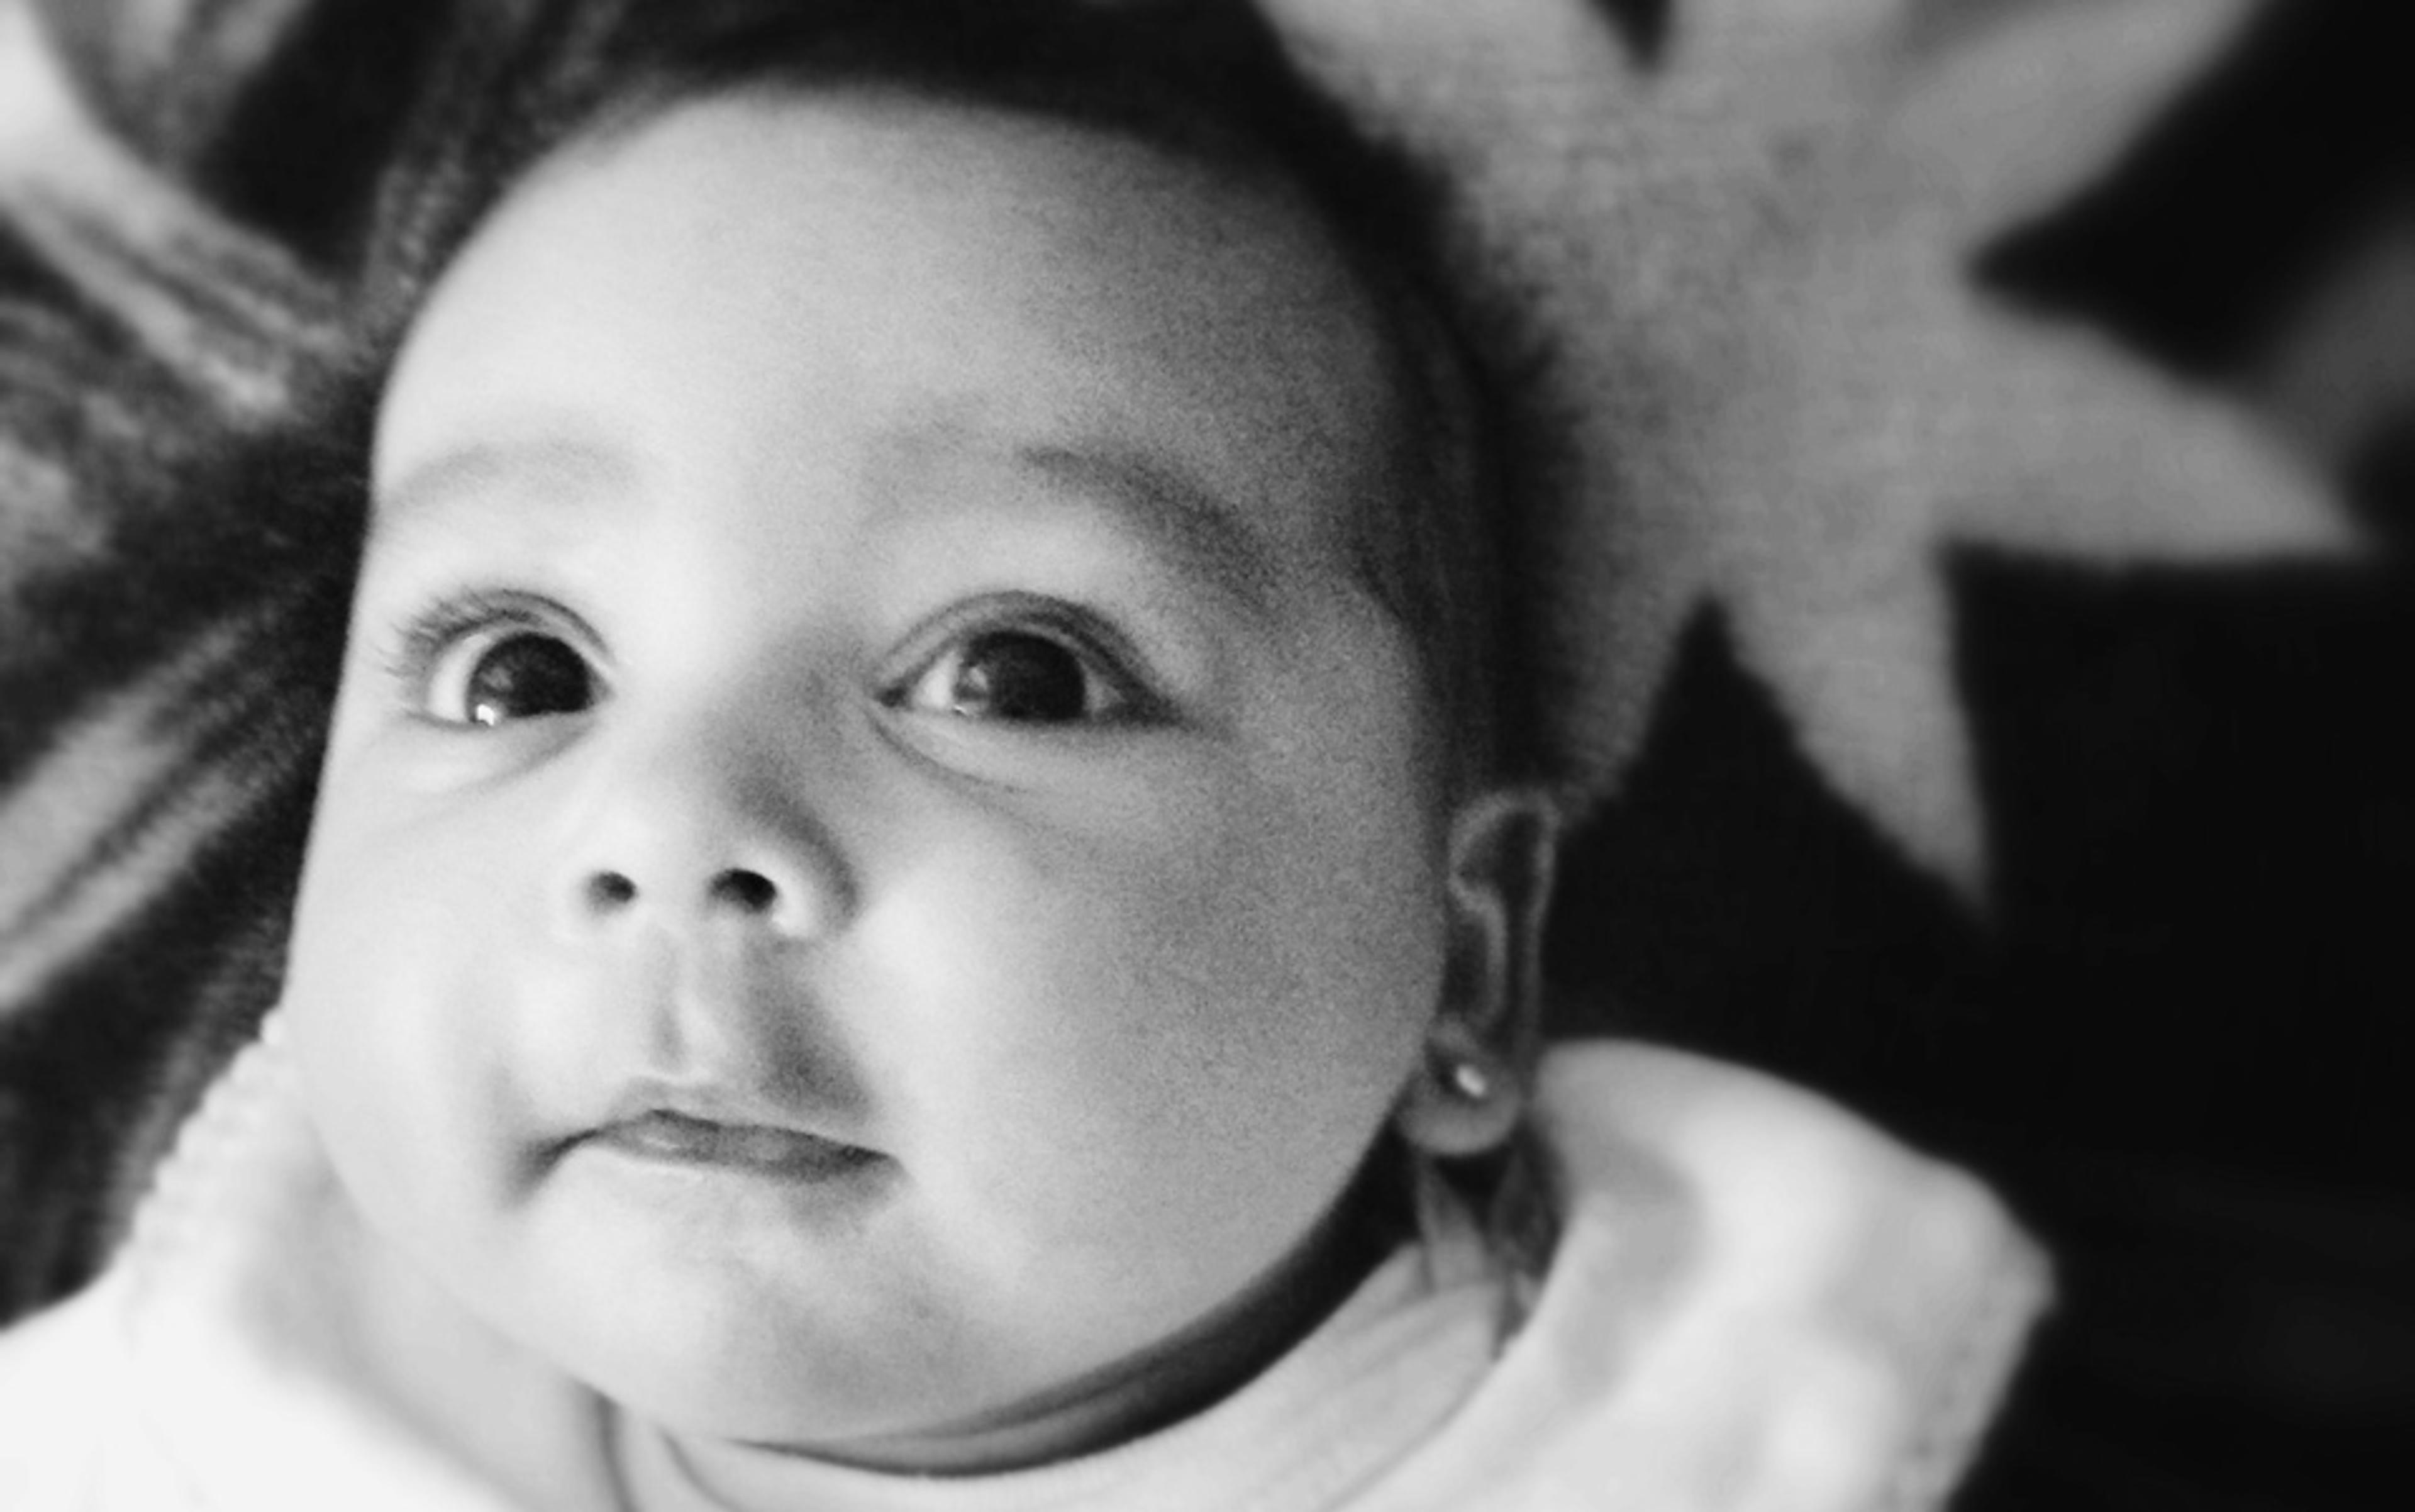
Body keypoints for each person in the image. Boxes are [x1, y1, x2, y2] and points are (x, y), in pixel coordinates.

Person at [0, 3, 2048, 1506]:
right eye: (522, 668)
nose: (673, 824)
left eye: (1012, 675)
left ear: (1469, 960)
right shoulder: (210, 1416)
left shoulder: (1758, 1413)